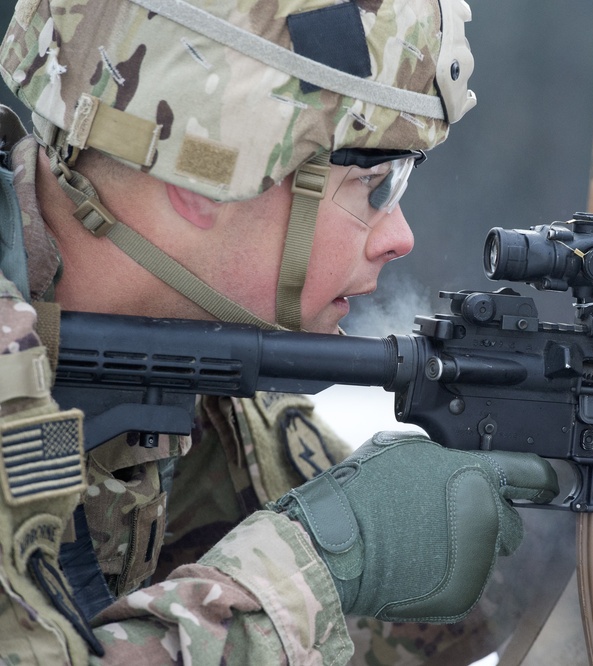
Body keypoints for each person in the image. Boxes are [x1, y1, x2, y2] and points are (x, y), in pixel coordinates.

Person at [0, 0, 559, 663]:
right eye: (373, 183)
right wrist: (315, 566)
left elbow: (393, 621)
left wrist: (565, 508)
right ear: (208, 173)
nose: (399, 236)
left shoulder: (177, 364)